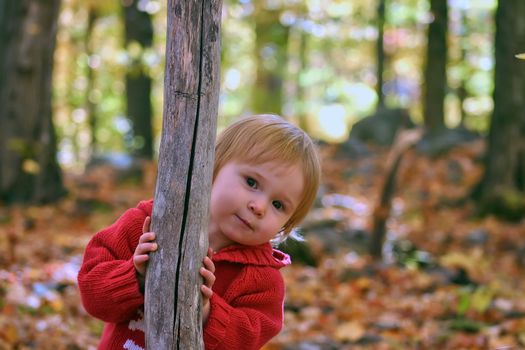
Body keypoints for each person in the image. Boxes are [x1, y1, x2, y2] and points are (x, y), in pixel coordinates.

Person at [77, 114, 321, 350]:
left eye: (278, 205)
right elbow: (91, 295)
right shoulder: (151, 222)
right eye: (251, 182)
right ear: (213, 166)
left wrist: (206, 314)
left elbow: (247, 340)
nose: (259, 207)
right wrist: (136, 277)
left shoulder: (264, 282)